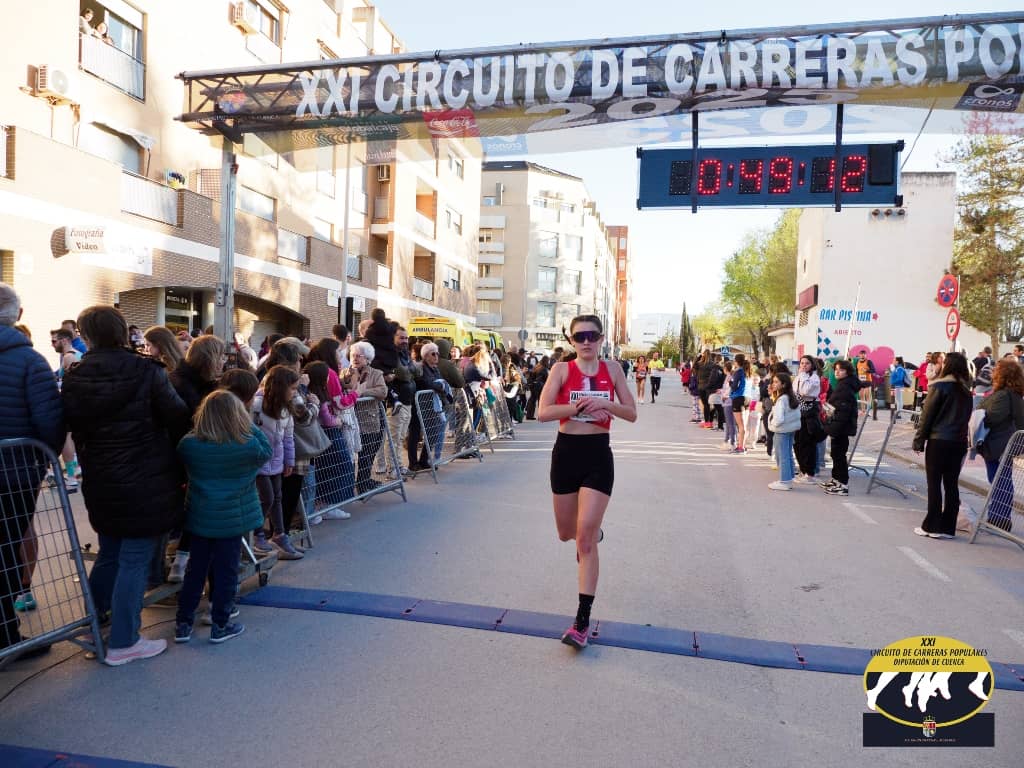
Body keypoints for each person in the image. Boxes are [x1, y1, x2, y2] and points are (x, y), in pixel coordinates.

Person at [62, 305, 190, 666]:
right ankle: (124, 640)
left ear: (86, 336)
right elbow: (177, 415)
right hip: (146, 476)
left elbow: (67, 421)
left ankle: (94, 624)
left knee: (110, 552)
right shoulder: (147, 371)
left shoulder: (76, 376)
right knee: (134, 557)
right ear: (121, 331)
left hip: (100, 477)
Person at [537, 315, 636, 650]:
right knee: (566, 533)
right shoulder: (561, 370)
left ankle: (581, 622)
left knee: (585, 541)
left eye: (592, 335)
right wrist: (576, 406)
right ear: (571, 340)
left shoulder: (613, 370)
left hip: (597, 456)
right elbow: (543, 412)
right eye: (580, 336)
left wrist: (605, 404)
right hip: (566, 455)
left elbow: (631, 413)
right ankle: (589, 532)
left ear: (602, 338)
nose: (586, 341)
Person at [174, 391, 272, 645]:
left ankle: (183, 624)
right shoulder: (246, 445)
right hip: (232, 519)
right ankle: (220, 623)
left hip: (200, 517)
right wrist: (248, 425)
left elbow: (183, 448)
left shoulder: (190, 445)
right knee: (227, 571)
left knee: (196, 570)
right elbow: (266, 450)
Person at [0, 284, 65, 659]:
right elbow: (49, 420)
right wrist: (45, 458)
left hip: (17, 470)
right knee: (8, 549)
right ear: (19, 316)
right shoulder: (30, 361)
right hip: (16, 474)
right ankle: (6, 634)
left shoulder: (30, 361)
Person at [912, 352, 973, 539]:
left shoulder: (939, 386)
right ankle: (948, 527)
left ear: (948, 365)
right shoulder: (966, 391)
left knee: (934, 483)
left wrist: (919, 440)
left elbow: (927, 416)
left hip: (939, 441)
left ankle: (932, 525)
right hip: (959, 442)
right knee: (951, 484)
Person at [977, 358, 1024, 532]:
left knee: (998, 480)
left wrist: (980, 413)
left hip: (999, 444)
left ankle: (999, 518)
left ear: (1003, 375)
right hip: (1007, 444)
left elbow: (992, 417)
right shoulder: (1015, 395)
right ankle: (999, 517)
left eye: (996, 370)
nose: (993, 373)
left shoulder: (1004, 395)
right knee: (1001, 479)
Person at [348, 341, 388, 493]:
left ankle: (364, 481)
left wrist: (361, 393)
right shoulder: (346, 373)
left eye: (359, 356)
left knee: (369, 452)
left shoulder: (376, 373)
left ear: (367, 358)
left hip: (370, 419)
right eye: (353, 355)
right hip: (351, 420)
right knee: (354, 454)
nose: (355, 358)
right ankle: (355, 485)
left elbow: (382, 391)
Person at [819, 360, 862, 496]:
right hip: (838, 426)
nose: (837, 372)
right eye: (836, 369)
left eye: (841, 370)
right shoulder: (843, 384)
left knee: (839, 456)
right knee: (836, 454)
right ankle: (836, 479)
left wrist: (832, 428)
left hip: (840, 427)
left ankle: (843, 485)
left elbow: (843, 412)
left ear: (847, 372)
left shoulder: (845, 387)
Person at [49, 328, 83, 491]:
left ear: (64, 340)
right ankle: (74, 472)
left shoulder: (69, 357)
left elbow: (73, 383)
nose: (52, 344)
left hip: (71, 404)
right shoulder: (74, 355)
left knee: (65, 441)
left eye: (54, 341)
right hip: (75, 405)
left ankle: (71, 478)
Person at [767, 373, 801, 490]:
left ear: (784, 384)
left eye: (776, 382)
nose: (773, 384)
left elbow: (779, 418)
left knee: (782, 455)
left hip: (781, 430)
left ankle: (785, 481)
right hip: (790, 429)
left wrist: (772, 425)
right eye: (773, 381)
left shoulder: (782, 399)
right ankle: (788, 478)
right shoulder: (791, 396)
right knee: (787, 454)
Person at [793, 355, 822, 483]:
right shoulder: (799, 376)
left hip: (809, 413)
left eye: (807, 363)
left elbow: (805, 391)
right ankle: (803, 470)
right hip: (798, 413)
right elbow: (794, 392)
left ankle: (810, 473)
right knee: (798, 443)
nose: (804, 365)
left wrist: (803, 376)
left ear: (812, 365)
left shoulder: (814, 377)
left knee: (808, 444)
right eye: (802, 363)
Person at [728, 354, 750, 454]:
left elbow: (734, 386)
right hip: (748, 398)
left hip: (738, 398)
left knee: (740, 425)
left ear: (736, 362)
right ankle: (743, 445)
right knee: (744, 424)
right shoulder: (748, 371)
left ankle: (740, 447)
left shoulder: (738, 372)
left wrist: (730, 383)